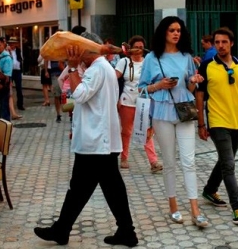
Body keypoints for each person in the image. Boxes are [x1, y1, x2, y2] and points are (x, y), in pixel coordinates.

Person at [34, 32, 138, 247]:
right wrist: (75, 66)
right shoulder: (99, 67)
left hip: (96, 142)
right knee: (96, 188)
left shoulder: (98, 69)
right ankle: (66, 229)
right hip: (99, 140)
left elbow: (79, 94)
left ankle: (64, 230)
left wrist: (73, 68)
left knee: (90, 188)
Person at [138, 16, 208, 227]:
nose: (176, 33)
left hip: (184, 112)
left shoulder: (187, 56)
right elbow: (141, 88)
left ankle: (195, 210)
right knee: (169, 163)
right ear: (163, 33)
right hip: (161, 113)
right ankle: (173, 206)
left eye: (178, 30)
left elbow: (189, 88)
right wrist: (158, 85)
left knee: (189, 161)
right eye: (171, 30)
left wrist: (194, 81)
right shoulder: (151, 58)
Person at [196, 27, 238, 225]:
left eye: (224, 42)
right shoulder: (206, 66)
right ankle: (237, 208)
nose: (220, 46)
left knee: (225, 160)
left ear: (231, 44)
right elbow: (200, 94)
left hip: (236, 122)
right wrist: (201, 124)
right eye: (217, 42)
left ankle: (209, 189)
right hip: (218, 122)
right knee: (229, 165)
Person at [115, 35, 163, 173]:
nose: (139, 50)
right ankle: (124, 157)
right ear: (131, 48)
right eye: (136, 47)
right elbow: (113, 77)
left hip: (143, 101)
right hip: (127, 100)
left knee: (146, 131)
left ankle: (153, 162)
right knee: (126, 131)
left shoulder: (148, 62)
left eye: (141, 47)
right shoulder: (124, 62)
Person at [8, 37, 25, 110]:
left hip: (17, 71)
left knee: (19, 88)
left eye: (13, 43)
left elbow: (20, 59)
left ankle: (20, 104)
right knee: (9, 89)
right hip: (10, 71)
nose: (12, 45)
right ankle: (9, 105)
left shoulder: (18, 50)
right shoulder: (7, 51)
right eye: (11, 43)